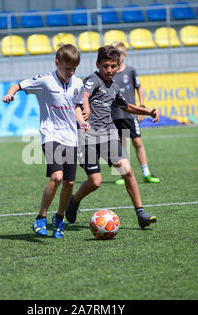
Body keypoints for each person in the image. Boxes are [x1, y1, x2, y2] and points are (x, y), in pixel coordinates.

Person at [65, 45, 159, 229]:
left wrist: (147, 111)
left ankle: (140, 213)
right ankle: (74, 201)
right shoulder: (92, 80)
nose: (109, 70)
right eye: (105, 66)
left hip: (108, 134)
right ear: (98, 64)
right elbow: (84, 94)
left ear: (118, 65)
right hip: (87, 137)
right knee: (96, 182)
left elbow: (126, 106)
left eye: (113, 66)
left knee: (126, 169)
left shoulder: (113, 87)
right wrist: (87, 107)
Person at [3, 44, 90, 238]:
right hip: (50, 134)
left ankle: (59, 219)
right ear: (57, 63)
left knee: (69, 183)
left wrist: (82, 121)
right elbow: (18, 85)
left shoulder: (77, 83)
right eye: (67, 69)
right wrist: (11, 94)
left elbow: (75, 106)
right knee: (57, 177)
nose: (71, 72)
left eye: (74, 69)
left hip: (71, 137)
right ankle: (40, 217)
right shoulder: (45, 81)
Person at [110, 41, 161, 185]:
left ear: (124, 55)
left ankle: (146, 173)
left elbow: (139, 88)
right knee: (121, 144)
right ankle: (123, 174)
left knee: (137, 142)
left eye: (118, 55)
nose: (116, 58)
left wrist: (142, 107)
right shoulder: (110, 73)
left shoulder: (131, 71)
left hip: (130, 114)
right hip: (115, 115)